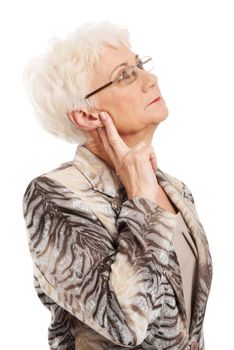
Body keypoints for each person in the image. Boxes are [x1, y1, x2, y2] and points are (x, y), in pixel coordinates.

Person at [22, 21, 212, 350]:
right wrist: (143, 203)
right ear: (86, 115)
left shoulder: (175, 189)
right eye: (126, 74)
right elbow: (123, 324)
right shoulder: (54, 195)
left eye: (140, 66)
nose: (151, 79)